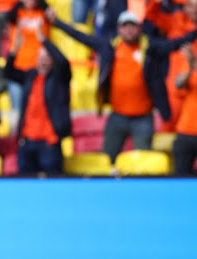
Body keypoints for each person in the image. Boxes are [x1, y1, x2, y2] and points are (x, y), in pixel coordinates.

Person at [48, 8, 197, 162]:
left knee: (143, 162)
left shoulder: (150, 48)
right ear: (118, 29)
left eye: (133, 25)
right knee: (106, 160)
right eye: (125, 26)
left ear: (139, 28)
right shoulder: (110, 47)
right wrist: (57, 23)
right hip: (117, 116)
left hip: (143, 118)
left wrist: (194, 33)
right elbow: (82, 37)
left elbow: (175, 44)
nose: (129, 30)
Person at [4, 29, 71, 174]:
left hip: (49, 142)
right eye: (40, 57)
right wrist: (14, 50)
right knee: (25, 188)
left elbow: (64, 63)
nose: (43, 61)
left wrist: (44, 40)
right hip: (27, 142)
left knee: (53, 187)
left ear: (53, 61)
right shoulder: (31, 76)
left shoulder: (59, 79)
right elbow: (8, 72)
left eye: (47, 57)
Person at [145, 0, 197, 132]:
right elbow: (151, 15)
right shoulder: (176, 21)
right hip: (176, 88)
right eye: (191, 5)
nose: (195, 9)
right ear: (184, 7)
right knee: (169, 128)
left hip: (195, 89)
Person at [173, 43, 197, 175]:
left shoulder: (192, 62)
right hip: (186, 130)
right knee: (180, 175)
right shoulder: (188, 63)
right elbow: (178, 83)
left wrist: (193, 64)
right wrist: (190, 67)